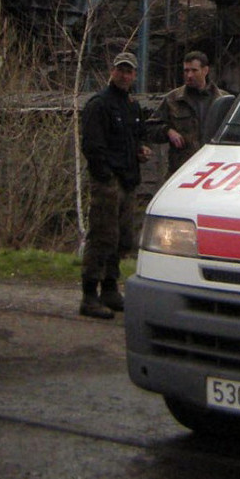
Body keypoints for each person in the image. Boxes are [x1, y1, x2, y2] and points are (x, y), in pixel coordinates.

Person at [79, 51, 152, 319]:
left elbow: (138, 137)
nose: (124, 75)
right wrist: (106, 177)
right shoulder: (99, 105)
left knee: (122, 238)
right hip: (107, 183)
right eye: (120, 70)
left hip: (128, 181)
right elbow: (91, 146)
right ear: (112, 71)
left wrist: (142, 151)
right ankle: (89, 294)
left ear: (134, 75)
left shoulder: (132, 106)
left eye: (129, 71)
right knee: (102, 236)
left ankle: (110, 288)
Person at [147, 51, 231, 176]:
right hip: (182, 170)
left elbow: (235, 134)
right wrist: (168, 131)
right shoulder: (173, 99)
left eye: (194, 70)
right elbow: (150, 128)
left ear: (205, 70)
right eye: (186, 71)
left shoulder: (223, 100)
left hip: (214, 169)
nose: (189, 75)